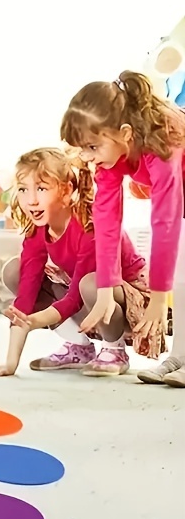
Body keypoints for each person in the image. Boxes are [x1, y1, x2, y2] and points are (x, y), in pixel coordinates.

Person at [0, 147, 154, 378]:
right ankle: (78, 346)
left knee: (90, 283)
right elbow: (24, 300)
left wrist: (35, 321)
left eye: (41, 188)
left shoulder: (88, 225)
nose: (31, 200)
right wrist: (10, 364)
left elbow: (76, 297)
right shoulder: (37, 229)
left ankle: (114, 350)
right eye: (24, 190)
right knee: (14, 271)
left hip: (128, 299)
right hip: (86, 295)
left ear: (67, 191)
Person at [61, 71, 185, 387]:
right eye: (82, 149)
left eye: (92, 147)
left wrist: (159, 298)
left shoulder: (163, 137)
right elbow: (106, 224)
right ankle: (180, 356)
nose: (87, 157)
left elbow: (165, 221)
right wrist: (105, 291)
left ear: (125, 133)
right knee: (182, 275)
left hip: (177, 191)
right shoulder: (110, 157)